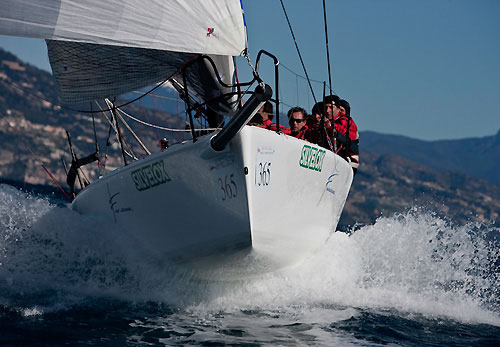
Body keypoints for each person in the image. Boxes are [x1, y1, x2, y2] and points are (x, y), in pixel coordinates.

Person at [334, 99, 360, 175]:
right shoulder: (336, 123)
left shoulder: (350, 124)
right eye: (339, 110)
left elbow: (349, 140)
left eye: (342, 110)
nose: (340, 113)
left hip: (350, 162)